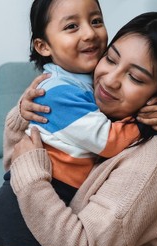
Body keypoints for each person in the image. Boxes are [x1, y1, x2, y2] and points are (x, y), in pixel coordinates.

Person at [0, 12, 157, 246]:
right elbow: (15, 164)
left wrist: (31, 179)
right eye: (110, 59)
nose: (110, 80)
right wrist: (24, 113)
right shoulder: (99, 111)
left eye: (135, 77)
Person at [25, 0, 140, 203]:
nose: (89, 33)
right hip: (38, 194)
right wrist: (144, 119)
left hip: (61, 190)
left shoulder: (91, 78)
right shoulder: (57, 92)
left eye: (96, 21)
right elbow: (108, 141)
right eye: (71, 26)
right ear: (43, 46)